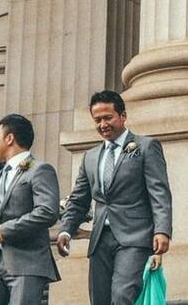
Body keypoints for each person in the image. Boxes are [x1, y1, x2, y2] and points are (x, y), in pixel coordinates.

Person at [58, 90, 173, 305]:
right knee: (100, 300)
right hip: (100, 239)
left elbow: (159, 192)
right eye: (97, 120)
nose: (103, 124)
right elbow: (79, 200)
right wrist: (66, 229)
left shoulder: (146, 147)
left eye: (108, 117)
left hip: (135, 238)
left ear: (123, 116)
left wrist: (162, 230)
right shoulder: (90, 157)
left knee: (123, 296)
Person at [0, 114, 61, 305]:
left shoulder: (40, 169)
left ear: (9, 138)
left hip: (26, 262)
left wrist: (7, 229)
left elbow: (48, 211)